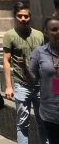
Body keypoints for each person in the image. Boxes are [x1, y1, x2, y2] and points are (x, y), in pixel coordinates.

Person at [2, 1, 46, 144]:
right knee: (22, 123)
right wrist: (9, 86)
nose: (23, 19)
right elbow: (6, 61)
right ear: (15, 17)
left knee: (43, 120)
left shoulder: (39, 35)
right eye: (20, 16)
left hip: (40, 85)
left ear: (30, 17)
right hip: (21, 85)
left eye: (26, 16)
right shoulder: (9, 35)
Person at [29, 14, 59, 144]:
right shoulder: (39, 52)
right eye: (54, 30)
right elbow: (32, 80)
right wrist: (24, 69)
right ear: (46, 33)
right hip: (50, 112)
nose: (58, 32)